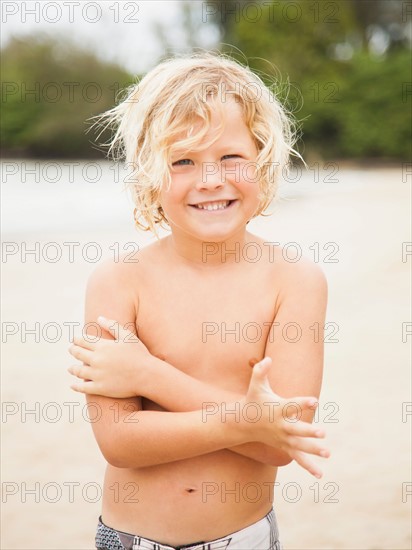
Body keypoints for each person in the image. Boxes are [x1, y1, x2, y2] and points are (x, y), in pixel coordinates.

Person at [68, 52, 329, 550]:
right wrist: (249, 420)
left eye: (231, 157)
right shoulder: (119, 281)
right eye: (182, 161)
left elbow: (282, 443)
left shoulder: (295, 281)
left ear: (264, 157)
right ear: (150, 174)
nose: (210, 180)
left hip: (245, 537)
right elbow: (120, 443)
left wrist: (149, 376)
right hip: (130, 539)